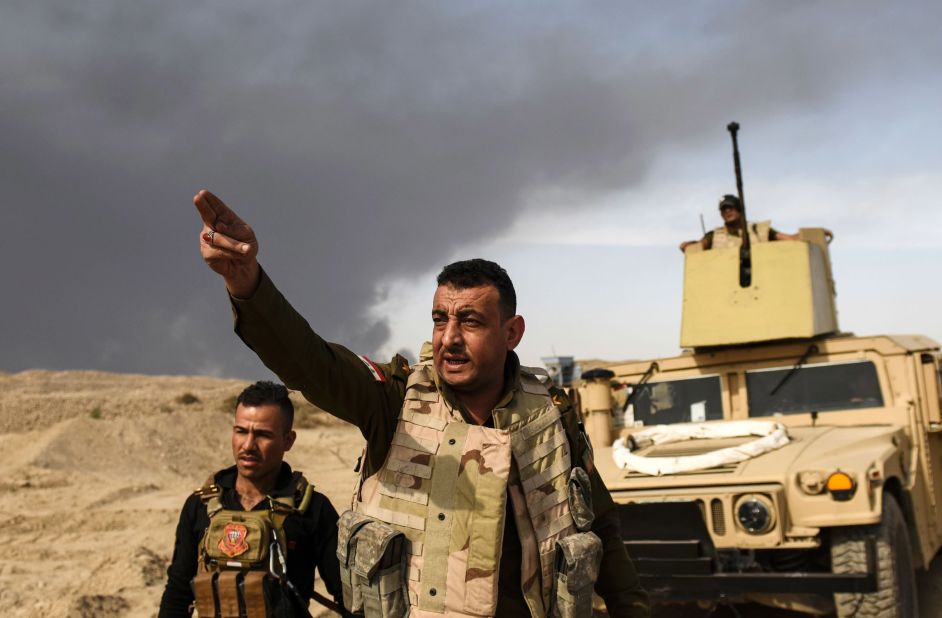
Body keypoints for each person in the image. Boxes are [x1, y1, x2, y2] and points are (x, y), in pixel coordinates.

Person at [192, 189, 650, 617]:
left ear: (511, 333)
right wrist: (247, 283)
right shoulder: (393, 400)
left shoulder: (551, 414)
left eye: (469, 320)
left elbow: (601, 528)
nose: (449, 338)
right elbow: (311, 362)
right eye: (439, 319)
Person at [158, 380, 343, 618]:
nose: (248, 445)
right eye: (241, 431)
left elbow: (347, 596)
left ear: (288, 441)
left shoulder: (312, 509)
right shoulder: (200, 505)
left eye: (262, 435)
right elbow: (178, 593)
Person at [679, 194, 804, 252]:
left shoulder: (759, 230)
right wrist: (688, 245)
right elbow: (700, 246)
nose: (727, 212)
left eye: (730, 208)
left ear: (740, 209)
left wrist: (809, 235)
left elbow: (789, 239)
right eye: (724, 210)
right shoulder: (714, 236)